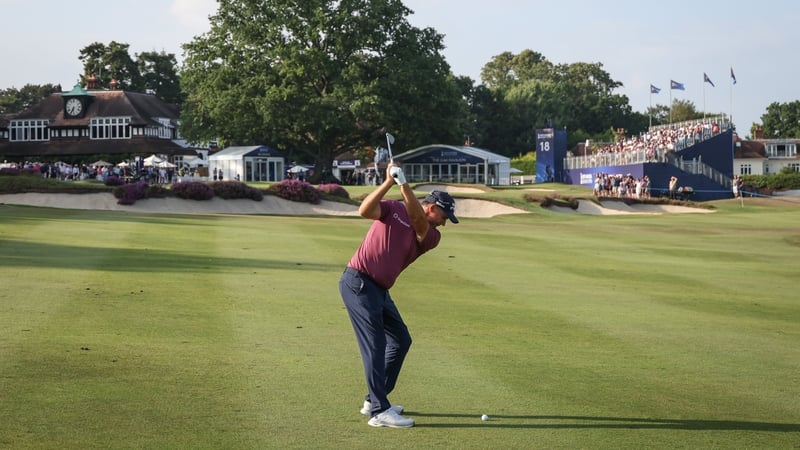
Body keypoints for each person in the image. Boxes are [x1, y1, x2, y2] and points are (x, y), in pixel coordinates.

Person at [339, 162, 458, 428]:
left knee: (401, 340)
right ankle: (379, 411)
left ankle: (374, 398)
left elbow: (417, 220)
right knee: (376, 344)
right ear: (433, 208)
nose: (445, 223)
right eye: (444, 216)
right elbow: (364, 210)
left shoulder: (431, 236)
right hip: (358, 282)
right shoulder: (393, 208)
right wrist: (389, 183)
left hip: (379, 290)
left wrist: (403, 183)